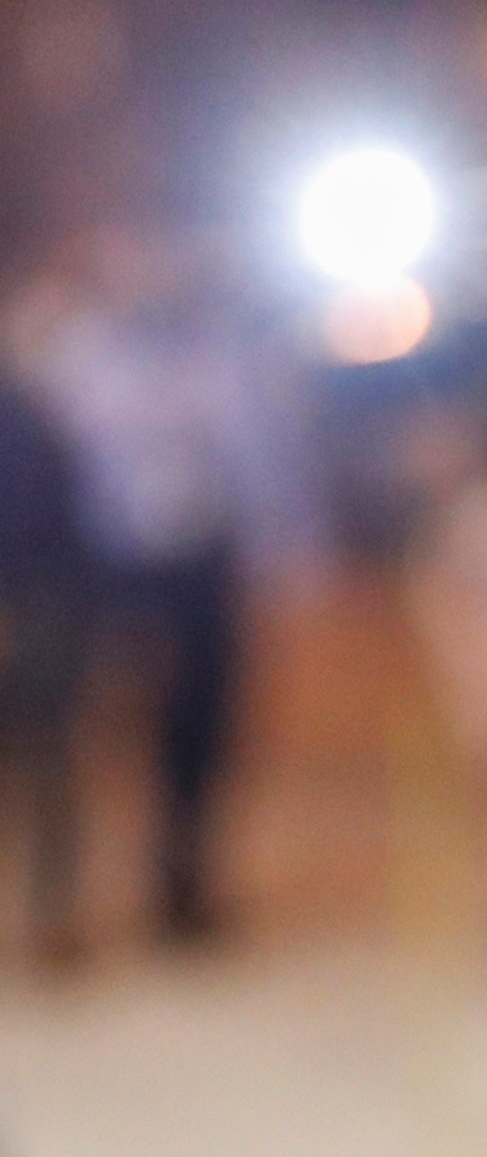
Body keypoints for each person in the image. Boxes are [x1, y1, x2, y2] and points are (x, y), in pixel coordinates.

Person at [17, 222, 263, 943]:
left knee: (196, 725)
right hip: (100, 565)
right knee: (81, 729)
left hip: (199, 561)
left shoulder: (219, 349)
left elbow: (257, 457)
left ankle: (181, 880)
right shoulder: (71, 351)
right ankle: (62, 901)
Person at [0, 367, 89, 965]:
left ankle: (52, 916)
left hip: (31, 601)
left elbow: (51, 510)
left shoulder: (24, 412)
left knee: (46, 761)